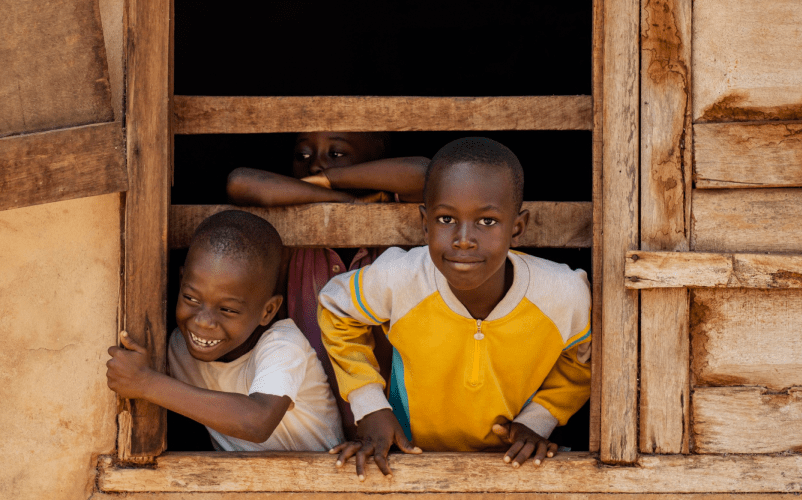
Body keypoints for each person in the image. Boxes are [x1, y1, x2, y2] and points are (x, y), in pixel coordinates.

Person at [318, 137, 591, 479]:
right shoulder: (402, 277)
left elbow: (583, 358)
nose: (463, 239)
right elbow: (336, 306)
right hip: (408, 459)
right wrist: (370, 406)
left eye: (487, 222)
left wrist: (538, 420)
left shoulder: (561, 293)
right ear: (425, 223)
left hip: (511, 465)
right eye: (446, 219)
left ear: (517, 227)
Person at [226, 132, 429, 438]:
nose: (315, 166)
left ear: (376, 158)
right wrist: (343, 200)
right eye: (303, 156)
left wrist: (331, 180)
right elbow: (240, 183)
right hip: (313, 428)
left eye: (336, 154)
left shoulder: (395, 215)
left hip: (392, 423)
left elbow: (425, 174)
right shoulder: (293, 228)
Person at [106, 210, 343, 451]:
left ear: (268, 311)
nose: (203, 322)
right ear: (180, 281)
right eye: (191, 298)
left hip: (320, 474)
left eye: (227, 310)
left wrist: (147, 383)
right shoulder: (176, 349)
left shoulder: (283, 345)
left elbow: (258, 422)